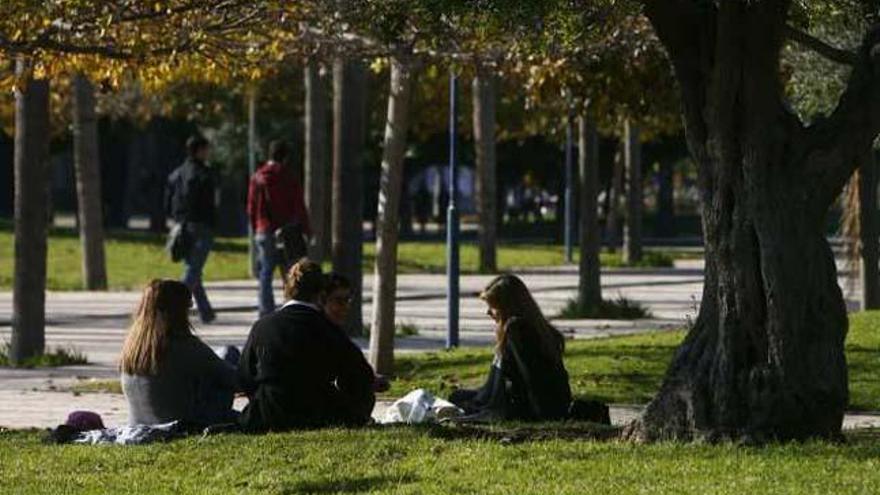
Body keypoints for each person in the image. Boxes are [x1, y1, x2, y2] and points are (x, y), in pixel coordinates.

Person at [237, 259, 375, 431]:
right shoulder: (326, 328)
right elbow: (361, 376)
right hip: (315, 413)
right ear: (321, 295)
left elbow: (245, 374)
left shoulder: (262, 327)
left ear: (286, 290)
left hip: (268, 413)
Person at [448, 274, 572, 421]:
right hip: (528, 402)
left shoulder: (517, 329)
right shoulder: (536, 327)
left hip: (524, 407)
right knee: (457, 396)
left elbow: (532, 379)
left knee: (457, 402)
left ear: (506, 306)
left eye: (492, 307)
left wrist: (542, 416)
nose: (488, 312)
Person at [120, 279, 239, 426]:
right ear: (177, 310)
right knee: (230, 353)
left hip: (139, 422)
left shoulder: (133, 346)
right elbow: (236, 380)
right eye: (188, 308)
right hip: (183, 422)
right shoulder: (182, 344)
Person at [247, 140, 312, 316]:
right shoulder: (288, 177)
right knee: (290, 272)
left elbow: (251, 207)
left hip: (263, 229)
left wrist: (256, 228)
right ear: (285, 157)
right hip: (286, 231)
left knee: (266, 271)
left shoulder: (257, 177)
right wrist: (307, 230)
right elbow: (299, 206)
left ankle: (265, 311)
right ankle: (290, 307)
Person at [165, 135, 218, 323]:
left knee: (193, 268)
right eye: (206, 149)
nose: (208, 152)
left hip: (182, 227)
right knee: (193, 271)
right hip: (201, 225)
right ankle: (173, 308)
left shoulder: (178, 172)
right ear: (199, 150)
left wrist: (172, 218)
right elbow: (208, 202)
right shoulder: (203, 173)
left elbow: (168, 196)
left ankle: (206, 312)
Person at [322, 273, 390, 393]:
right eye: (339, 301)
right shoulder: (327, 335)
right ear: (321, 300)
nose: (345, 307)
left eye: (348, 300)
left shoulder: (336, 334)